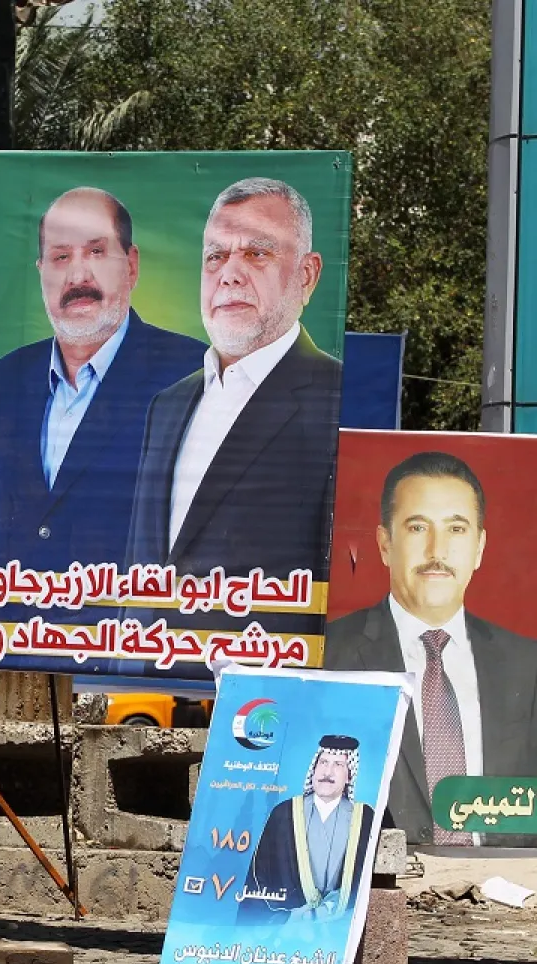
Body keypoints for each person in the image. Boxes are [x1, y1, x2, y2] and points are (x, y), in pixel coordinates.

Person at [0, 188, 202, 602]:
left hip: (130, 650)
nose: (77, 277)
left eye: (96, 252)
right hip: (14, 648)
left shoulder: (192, 374)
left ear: (130, 265)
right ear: (41, 271)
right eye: (60, 257)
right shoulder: (6, 378)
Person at [126, 178, 342, 585]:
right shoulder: (168, 405)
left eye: (256, 253)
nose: (229, 274)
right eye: (215, 256)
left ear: (308, 276)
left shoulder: (337, 400)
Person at [325, 452, 537, 846]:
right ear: (385, 544)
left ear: (479, 547)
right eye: (418, 527)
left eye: (457, 529)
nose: (437, 550)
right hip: (384, 896)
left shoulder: (529, 666)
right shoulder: (325, 658)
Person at [247, 735, 375, 918]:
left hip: (342, 925)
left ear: (349, 776)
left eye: (338, 765)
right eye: (323, 762)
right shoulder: (284, 813)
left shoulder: (364, 817)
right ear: (314, 769)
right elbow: (260, 875)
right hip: (289, 925)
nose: (327, 772)